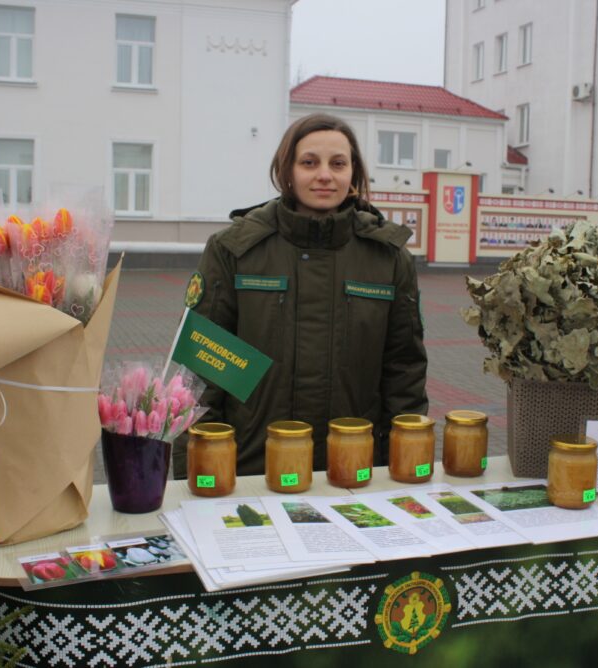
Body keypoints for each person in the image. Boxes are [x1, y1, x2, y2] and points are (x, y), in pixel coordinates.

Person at [174, 113, 428, 477]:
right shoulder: (237, 250)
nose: (324, 174)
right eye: (309, 162)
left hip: (352, 469)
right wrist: (196, 471)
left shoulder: (387, 257)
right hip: (251, 468)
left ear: (352, 174)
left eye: (338, 163)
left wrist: (404, 464)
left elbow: (404, 374)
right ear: (287, 171)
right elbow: (202, 374)